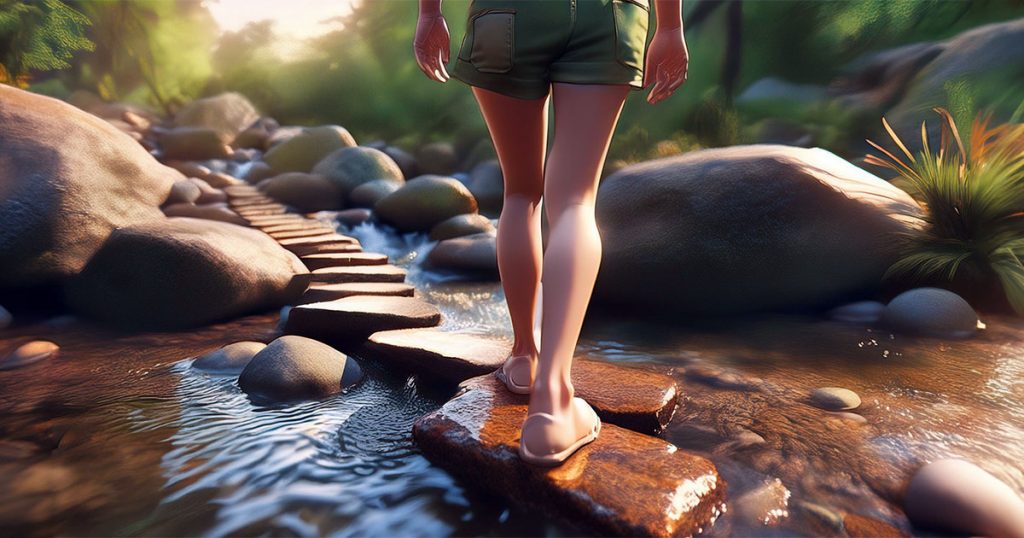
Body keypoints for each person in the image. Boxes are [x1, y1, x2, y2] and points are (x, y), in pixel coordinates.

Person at [414, 0, 689, 466]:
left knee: (521, 194)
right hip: (608, 16)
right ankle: (553, 403)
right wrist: (670, 24)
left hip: (506, 17)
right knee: (575, 202)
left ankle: (524, 356)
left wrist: (429, 14)